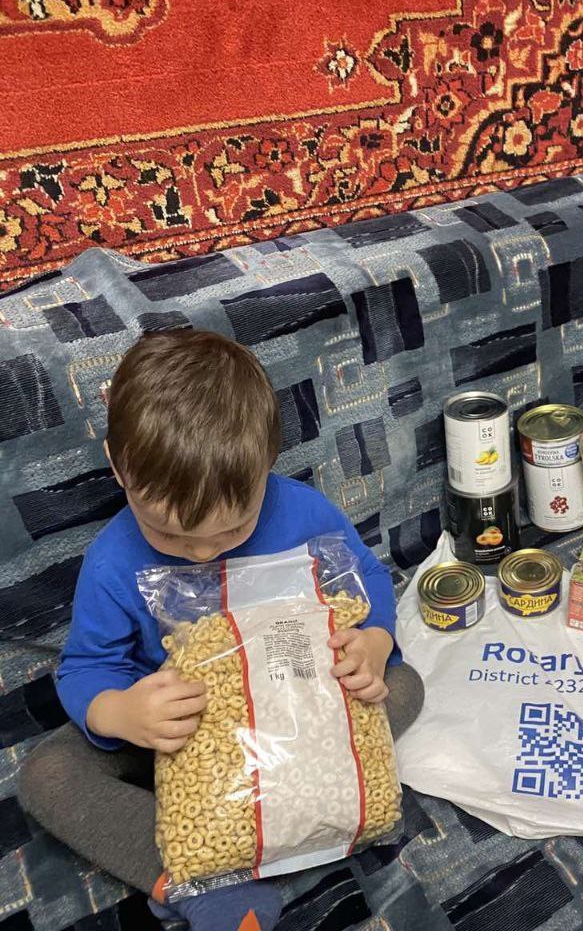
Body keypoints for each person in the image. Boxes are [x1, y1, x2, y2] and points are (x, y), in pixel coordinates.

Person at [17, 330, 425, 931]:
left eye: (233, 531)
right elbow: (84, 667)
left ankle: (289, 815)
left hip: (296, 717)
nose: (203, 552)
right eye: (168, 534)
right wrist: (120, 712)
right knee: (46, 773)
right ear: (118, 467)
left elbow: (367, 578)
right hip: (175, 737)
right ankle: (204, 877)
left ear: (267, 464)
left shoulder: (306, 514)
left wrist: (375, 641)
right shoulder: (111, 562)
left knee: (404, 682)